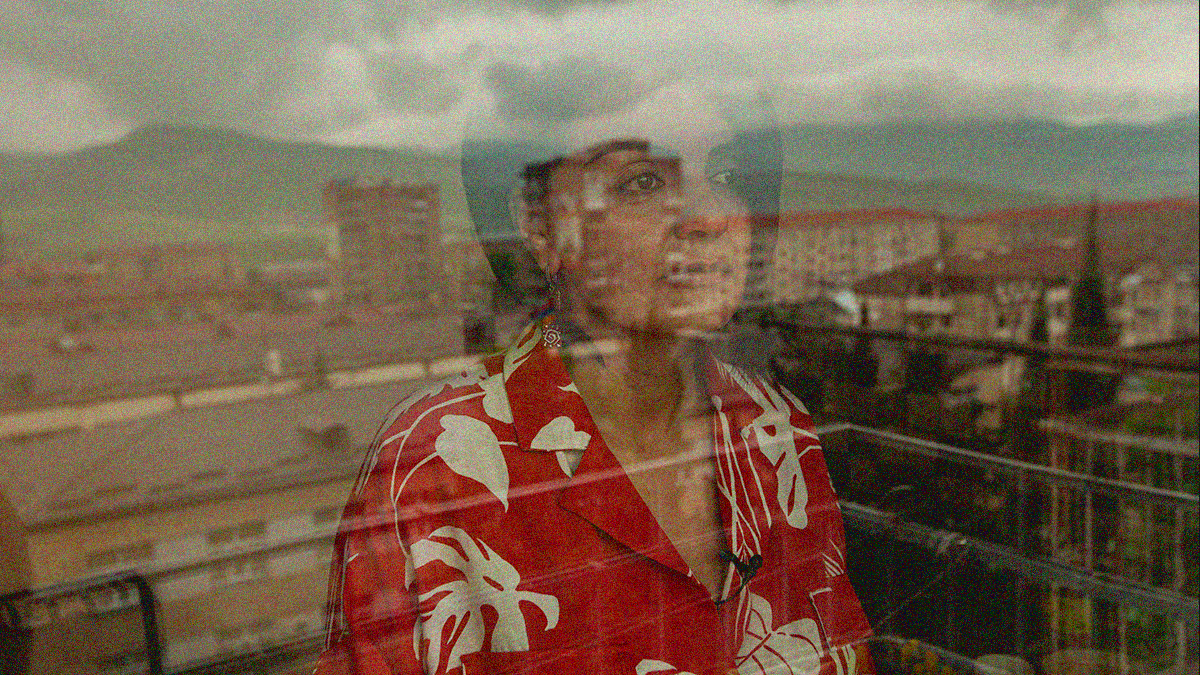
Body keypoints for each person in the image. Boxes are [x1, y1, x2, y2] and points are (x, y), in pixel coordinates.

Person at [314, 101, 874, 675]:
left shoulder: (777, 429)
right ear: (541, 230)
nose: (710, 218)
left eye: (726, 177)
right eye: (643, 182)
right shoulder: (437, 466)